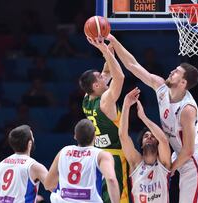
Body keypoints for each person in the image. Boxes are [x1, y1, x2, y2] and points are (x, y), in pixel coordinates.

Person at [108, 35, 198, 203]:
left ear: (183, 83)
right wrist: (113, 41)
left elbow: (188, 150)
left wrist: (170, 169)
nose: (172, 71)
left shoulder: (187, 109)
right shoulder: (161, 88)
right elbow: (133, 65)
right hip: (178, 155)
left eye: (177, 72)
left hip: (194, 161)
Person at [79, 38, 128, 203]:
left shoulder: (87, 98)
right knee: (119, 199)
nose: (103, 77)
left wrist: (107, 52)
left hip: (98, 155)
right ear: (96, 86)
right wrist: (106, 52)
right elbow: (119, 77)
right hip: (115, 157)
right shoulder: (105, 101)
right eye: (99, 78)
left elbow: (107, 73)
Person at [44, 119, 120, 203]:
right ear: (95, 136)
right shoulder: (101, 155)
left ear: (75, 136)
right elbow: (111, 179)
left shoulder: (63, 151)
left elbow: (48, 184)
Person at [119, 88, 171, 203]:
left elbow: (163, 140)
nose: (149, 137)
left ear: (157, 144)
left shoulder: (163, 163)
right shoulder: (136, 162)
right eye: (146, 136)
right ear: (141, 145)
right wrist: (126, 105)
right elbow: (123, 136)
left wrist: (143, 117)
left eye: (152, 136)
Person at [0, 125, 48, 202]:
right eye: (32, 137)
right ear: (29, 143)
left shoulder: (1, 164)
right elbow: (53, 186)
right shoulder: (33, 166)